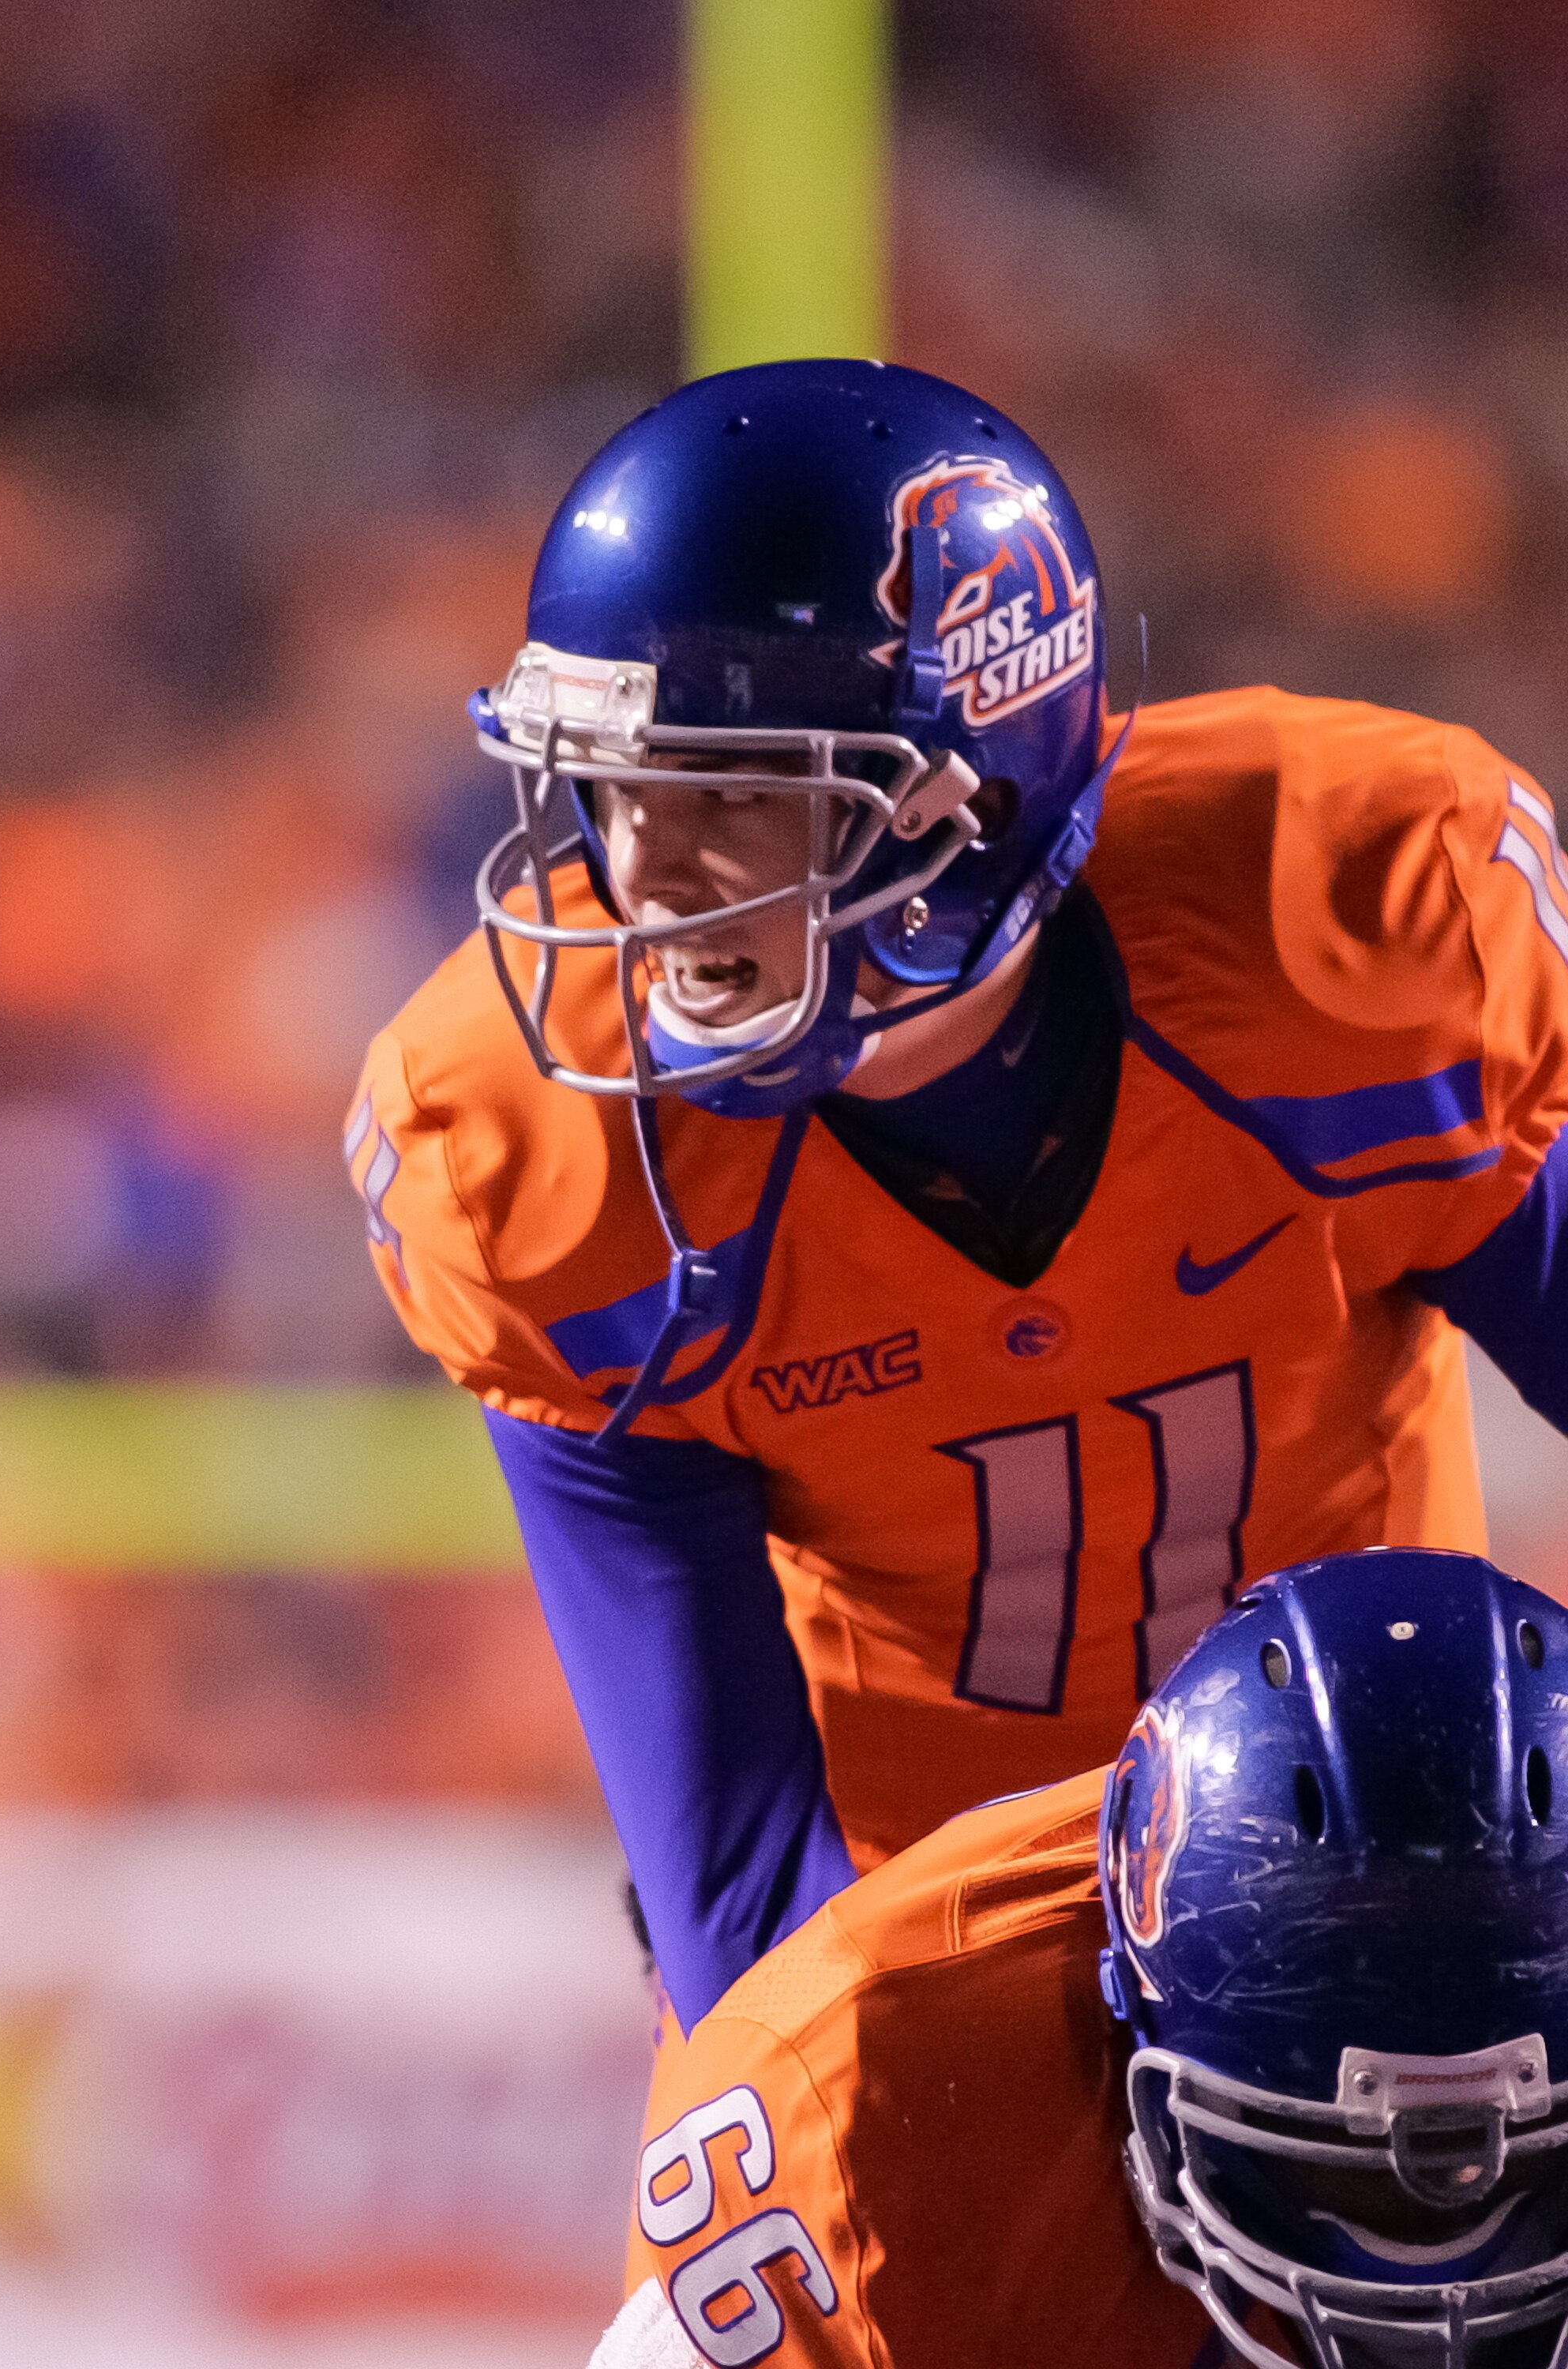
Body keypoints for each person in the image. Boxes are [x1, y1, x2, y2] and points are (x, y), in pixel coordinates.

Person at [347, 359, 1568, 2059]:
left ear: (963, 791)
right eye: (615, 791)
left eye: (730, 795)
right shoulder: (549, 1155)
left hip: (1416, 1879)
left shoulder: (1333, 937)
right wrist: (872, 2094)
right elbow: (733, 1878)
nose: (645, 874)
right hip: (922, 1928)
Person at [594, 1549, 1568, 2369]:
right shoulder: (850, 2096)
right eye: (1354, 2179)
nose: (1445, 2285)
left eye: (1519, 2166)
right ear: (1129, 1999)